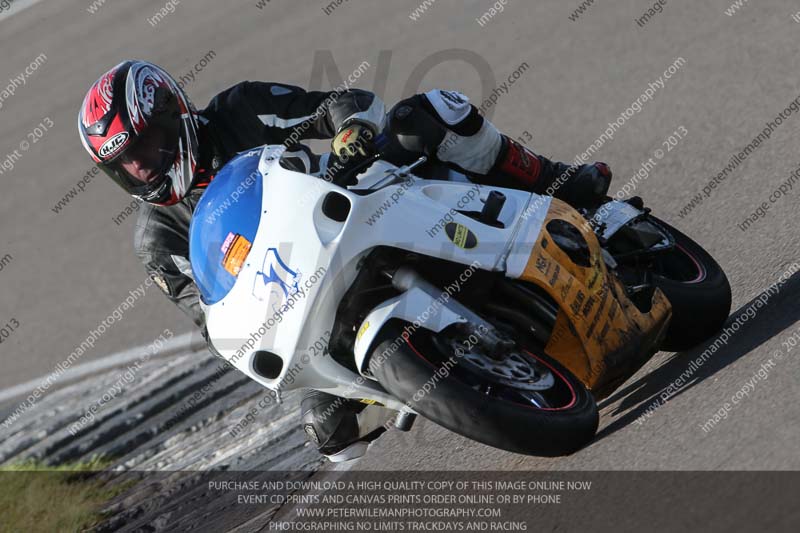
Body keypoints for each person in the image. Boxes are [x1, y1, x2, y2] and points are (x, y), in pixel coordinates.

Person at [78, 60, 612, 462]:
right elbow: (217, 323)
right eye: (125, 164)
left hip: (361, 207)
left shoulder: (239, 109)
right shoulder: (158, 241)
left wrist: (348, 129)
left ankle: (556, 181)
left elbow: (339, 102)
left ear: (176, 114)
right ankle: (442, 377)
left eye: (145, 148)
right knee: (328, 431)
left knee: (425, 115)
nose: (142, 169)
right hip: (306, 301)